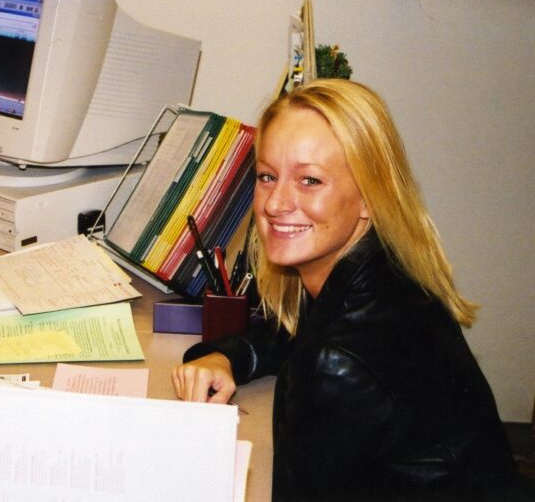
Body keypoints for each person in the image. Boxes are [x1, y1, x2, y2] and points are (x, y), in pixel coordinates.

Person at [172, 79, 520, 500]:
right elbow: (293, 334)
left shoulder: (338, 360)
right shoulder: (382, 272)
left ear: (368, 197)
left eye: (310, 181)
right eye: (267, 176)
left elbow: (327, 359)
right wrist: (226, 357)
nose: (275, 204)